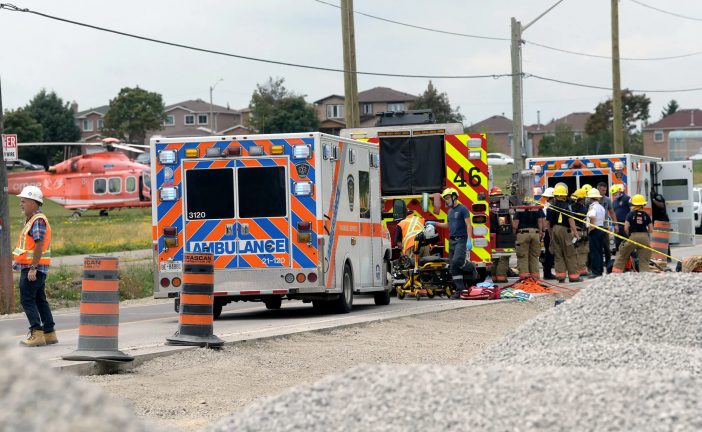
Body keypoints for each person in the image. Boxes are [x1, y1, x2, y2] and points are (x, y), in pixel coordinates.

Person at [12, 186, 56, 347]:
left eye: (23, 201)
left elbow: (39, 244)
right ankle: (49, 333)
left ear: (33, 202)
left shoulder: (37, 220)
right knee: (39, 299)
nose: (20, 204)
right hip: (36, 267)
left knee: (27, 300)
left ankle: (36, 333)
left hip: (34, 269)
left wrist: (32, 268)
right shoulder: (34, 220)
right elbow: (29, 247)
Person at [433, 188, 474, 299]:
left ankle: (471, 267)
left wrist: (469, 240)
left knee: (457, 261)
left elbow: (469, 225)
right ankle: (459, 290)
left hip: (461, 239)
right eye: (445, 199)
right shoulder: (450, 212)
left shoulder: (463, 209)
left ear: (454, 196)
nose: (446, 201)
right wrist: (435, 223)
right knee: (453, 267)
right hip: (452, 241)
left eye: (447, 198)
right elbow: (447, 225)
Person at [546, 184, 581, 283]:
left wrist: (550, 233)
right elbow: (571, 220)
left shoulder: (551, 207)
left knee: (558, 254)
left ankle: (561, 277)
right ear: (564, 195)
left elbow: (547, 223)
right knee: (570, 253)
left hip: (554, 230)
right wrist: (576, 234)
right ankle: (574, 277)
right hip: (565, 230)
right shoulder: (567, 206)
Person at [612, 194, 653, 273]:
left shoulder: (630, 214)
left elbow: (626, 228)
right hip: (644, 237)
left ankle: (617, 271)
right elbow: (651, 229)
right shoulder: (646, 215)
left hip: (633, 236)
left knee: (623, 253)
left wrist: (629, 235)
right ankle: (645, 273)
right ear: (643, 204)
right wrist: (644, 233)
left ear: (633, 204)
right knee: (644, 258)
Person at [512, 194, 544, 279]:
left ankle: (525, 277)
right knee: (534, 256)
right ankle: (535, 277)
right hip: (535, 233)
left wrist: (514, 234)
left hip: (523, 233)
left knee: (523, 256)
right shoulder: (536, 209)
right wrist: (541, 232)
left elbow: (515, 223)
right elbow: (540, 221)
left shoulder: (520, 209)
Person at [488, 186, 510, 283]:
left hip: (490, 234)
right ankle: (501, 276)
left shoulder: (488, 207)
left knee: (493, 256)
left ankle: (494, 276)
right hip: (502, 234)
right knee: (503, 255)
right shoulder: (503, 207)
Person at [586, 188, 607, 278]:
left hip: (594, 230)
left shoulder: (592, 207)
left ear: (591, 198)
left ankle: (595, 272)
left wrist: (590, 230)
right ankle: (600, 270)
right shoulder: (601, 207)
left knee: (594, 252)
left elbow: (592, 218)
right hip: (601, 229)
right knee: (599, 251)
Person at [570, 188, 589, 277]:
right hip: (582, 232)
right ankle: (581, 269)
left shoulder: (571, 207)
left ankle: (577, 270)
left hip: (575, 232)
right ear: (582, 198)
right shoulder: (585, 209)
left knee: (575, 252)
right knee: (582, 252)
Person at [597, 182, 616, 265]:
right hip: (595, 227)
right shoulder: (591, 199)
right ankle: (597, 264)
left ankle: (608, 264)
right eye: (602, 190)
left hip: (604, 227)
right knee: (596, 248)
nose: (604, 192)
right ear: (598, 190)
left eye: (605, 190)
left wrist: (615, 224)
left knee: (607, 248)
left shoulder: (607, 200)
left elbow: (612, 212)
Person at [541, 187, 556, 279]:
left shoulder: (545, 207)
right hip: (548, 232)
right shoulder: (548, 208)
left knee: (549, 252)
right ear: (552, 198)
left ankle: (547, 272)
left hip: (547, 232)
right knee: (549, 253)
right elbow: (547, 223)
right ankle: (547, 273)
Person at [611, 184, 631, 251]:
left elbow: (631, 211)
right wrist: (614, 225)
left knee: (628, 244)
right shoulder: (614, 201)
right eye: (613, 194)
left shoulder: (627, 198)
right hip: (617, 226)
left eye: (615, 193)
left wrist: (629, 223)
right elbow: (613, 213)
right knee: (618, 244)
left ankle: (631, 260)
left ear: (619, 191)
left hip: (625, 225)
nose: (614, 195)